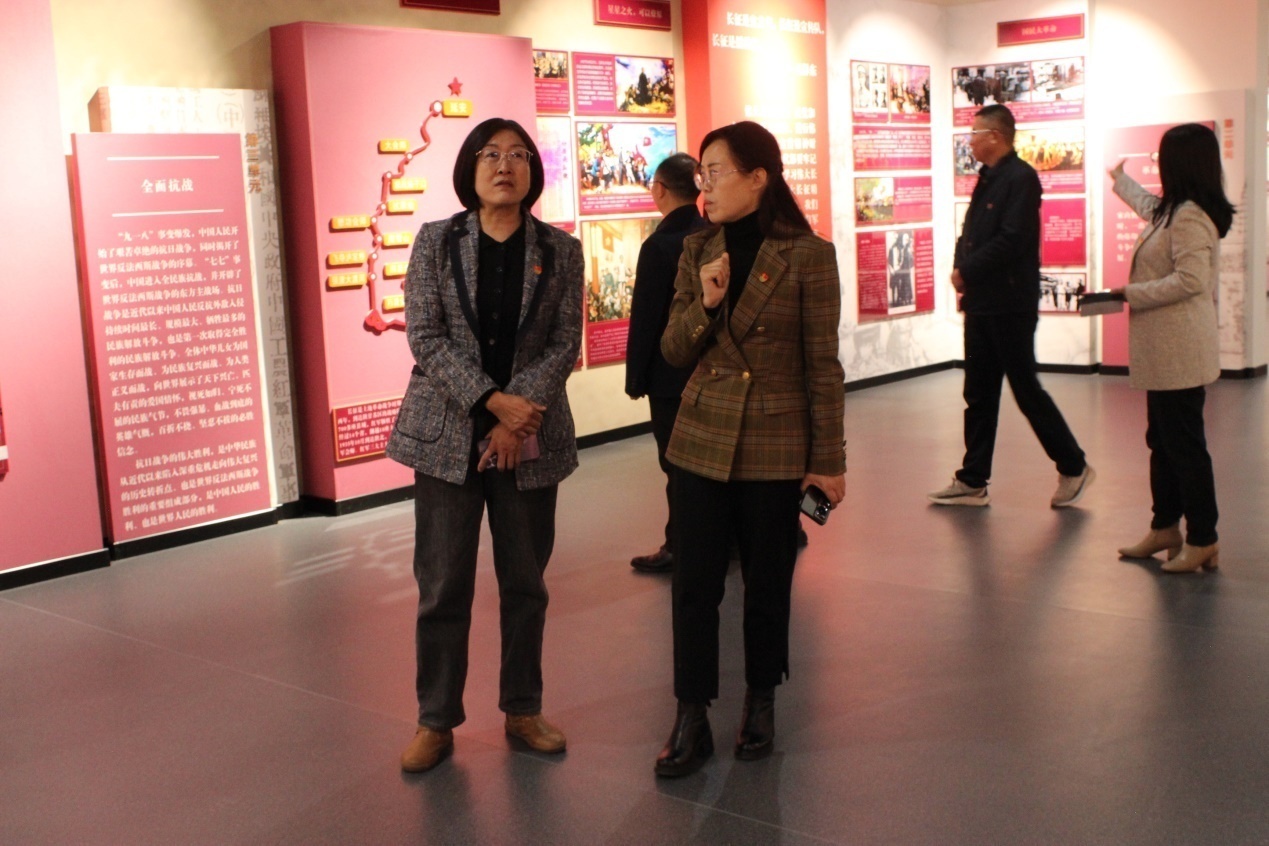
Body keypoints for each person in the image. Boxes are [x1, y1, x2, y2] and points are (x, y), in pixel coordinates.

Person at [386, 117, 584, 773]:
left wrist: (515, 416)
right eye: (491, 154)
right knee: (442, 586)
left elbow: (564, 342)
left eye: (519, 155)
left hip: (528, 440)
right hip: (447, 437)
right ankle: (436, 719)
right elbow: (424, 334)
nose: (505, 165)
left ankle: (523, 708)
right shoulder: (435, 241)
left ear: (533, 171)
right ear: (470, 169)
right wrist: (492, 402)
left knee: (526, 584)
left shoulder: (560, 249)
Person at [653, 121, 846, 777]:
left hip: (775, 440)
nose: (703, 186)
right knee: (693, 585)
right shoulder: (696, 249)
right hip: (699, 439)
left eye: (715, 172)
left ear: (758, 177)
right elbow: (672, 349)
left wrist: (828, 462)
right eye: (700, 174)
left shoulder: (808, 255)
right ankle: (691, 713)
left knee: (767, 582)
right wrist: (707, 304)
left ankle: (761, 699)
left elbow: (822, 367)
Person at [929, 104, 1093, 508]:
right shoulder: (988, 178)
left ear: (995, 136)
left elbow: (1012, 239)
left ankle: (1073, 465)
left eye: (974, 133)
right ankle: (972, 480)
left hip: (1009, 305)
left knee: (1025, 389)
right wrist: (961, 267)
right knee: (978, 393)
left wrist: (967, 270)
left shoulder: (1021, 178)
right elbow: (970, 233)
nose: (969, 141)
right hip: (982, 304)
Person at [1107, 123, 1233, 573]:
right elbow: (1149, 207)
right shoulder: (1174, 209)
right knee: (1161, 441)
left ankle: (1203, 537)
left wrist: (1130, 293)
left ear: (1181, 163)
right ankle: (1165, 527)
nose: (1158, 165)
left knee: (1184, 446)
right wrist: (1121, 180)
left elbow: (1191, 280)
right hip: (1165, 352)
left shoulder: (1191, 216)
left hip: (1180, 352)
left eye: (1163, 158)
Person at [625, 153, 707, 573]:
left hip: (669, 376)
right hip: (709, 372)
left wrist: (635, 377)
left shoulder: (659, 245)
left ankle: (681, 545)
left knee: (675, 464)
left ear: (659, 189)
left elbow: (647, 317)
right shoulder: (712, 234)